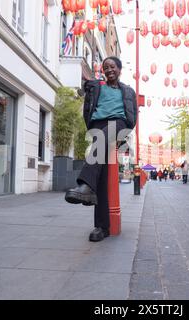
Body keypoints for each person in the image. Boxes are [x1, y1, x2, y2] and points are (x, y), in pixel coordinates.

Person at [65, 56, 137, 242]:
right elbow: (87, 109)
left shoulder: (128, 91)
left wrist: (126, 131)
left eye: (113, 66)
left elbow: (133, 114)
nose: (109, 69)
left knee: (104, 138)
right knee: (102, 177)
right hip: (99, 126)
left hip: (118, 123)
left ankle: (85, 185)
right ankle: (101, 227)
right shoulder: (97, 87)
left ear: (120, 69)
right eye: (106, 67)